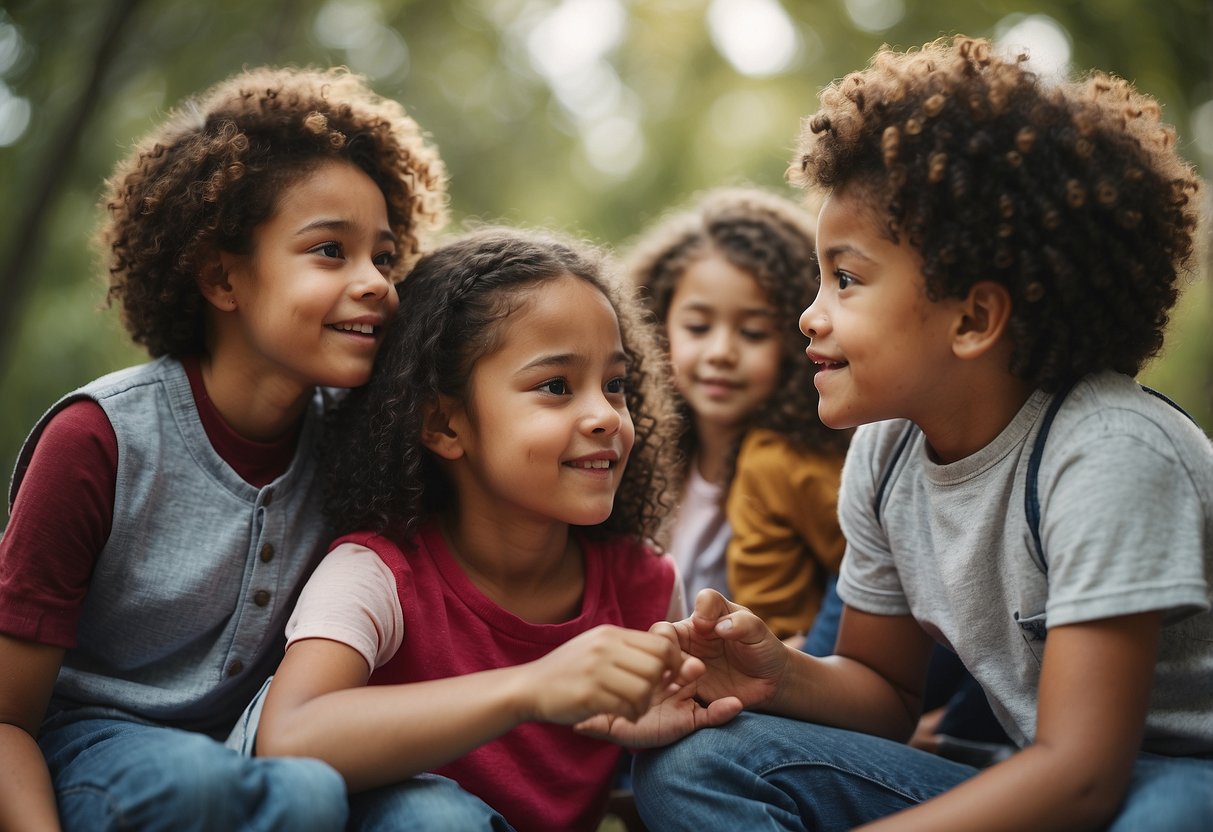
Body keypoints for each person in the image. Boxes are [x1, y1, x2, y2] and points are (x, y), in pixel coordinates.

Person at [632, 35, 1211, 831]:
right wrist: (780, 673)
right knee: (701, 763)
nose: (810, 313)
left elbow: (1083, 775)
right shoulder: (888, 448)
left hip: (1169, 779)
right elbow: (885, 692)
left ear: (972, 318)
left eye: (846, 278)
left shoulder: (1107, 452)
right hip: (1038, 768)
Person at [0, 65, 447, 832]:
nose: (377, 282)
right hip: (96, 757)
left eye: (383, 253)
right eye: (330, 251)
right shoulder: (97, 441)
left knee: (435, 815)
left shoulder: (363, 436)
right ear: (221, 277)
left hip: (272, 744)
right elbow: (6, 720)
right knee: (267, 794)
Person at [247, 227, 742, 832]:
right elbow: (288, 736)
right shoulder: (377, 575)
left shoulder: (643, 583)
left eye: (615, 385)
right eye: (555, 387)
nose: (604, 417)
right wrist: (531, 688)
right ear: (444, 424)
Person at [624, 187, 851, 645]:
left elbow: (876, 581)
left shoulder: (796, 466)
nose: (721, 352)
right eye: (698, 327)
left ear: (795, 339)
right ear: (655, 326)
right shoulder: (643, 455)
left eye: (752, 332)